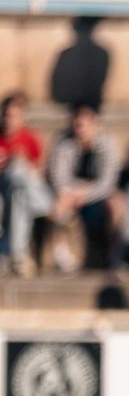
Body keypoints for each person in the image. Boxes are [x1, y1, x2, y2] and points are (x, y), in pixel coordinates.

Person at [45, 103, 121, 273]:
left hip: (97, 196)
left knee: (117, 204)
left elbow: (108, 182)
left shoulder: (108, 144)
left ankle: (115, 255)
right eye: (77, 125)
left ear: (95, 124)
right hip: (71, 194)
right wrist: (75, 192)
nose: (80, 130)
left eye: (83, 125)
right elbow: (58, 178)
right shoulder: (63, 143)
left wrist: (85, 194)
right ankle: (62, 255)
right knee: (59, 204)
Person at [0, 94, 52, 275]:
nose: (8, 120)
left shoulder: (31, 139)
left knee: (19, 184)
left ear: (22, 117)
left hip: (23, 191)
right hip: (5, 191)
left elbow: (37, 174)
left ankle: (13, 253)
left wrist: (21, 161)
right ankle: (18, 255)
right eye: (6, 115)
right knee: (16, 179)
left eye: (13, 116)